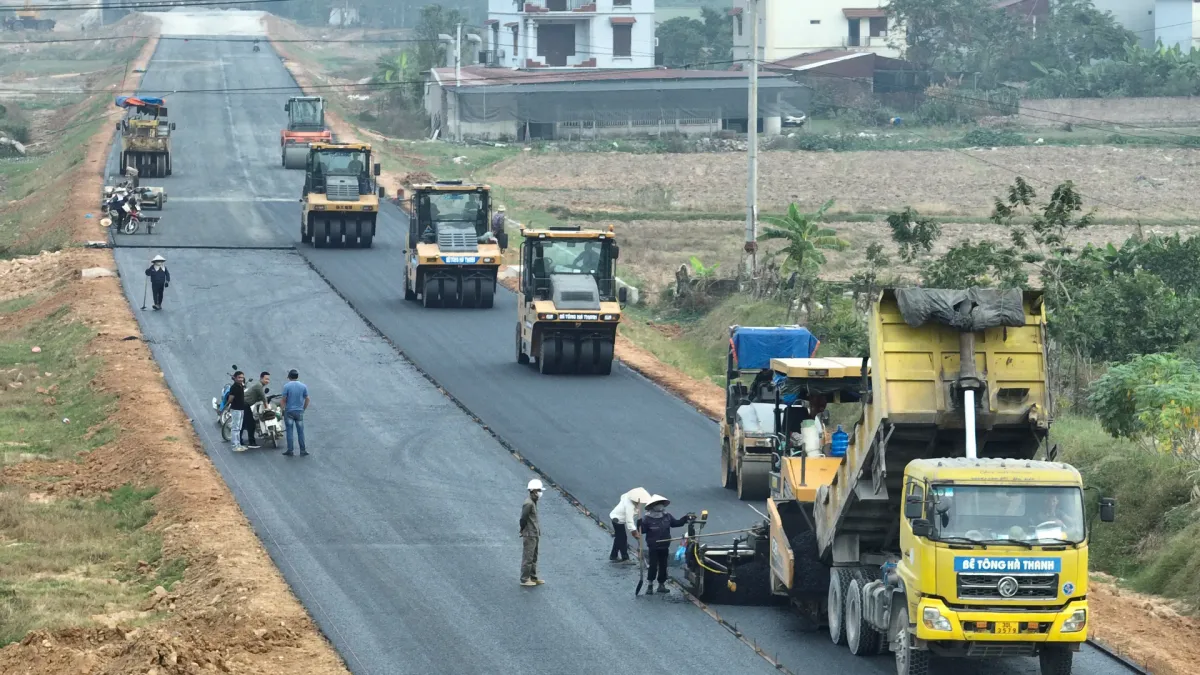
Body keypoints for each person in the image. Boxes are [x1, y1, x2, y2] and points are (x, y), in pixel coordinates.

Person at [637, 494, 694, 594]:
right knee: (653, 566)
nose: (660, 506)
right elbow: (642, 531)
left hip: (664, 545)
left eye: (661, 504)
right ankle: (650, 585)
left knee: (663, 565)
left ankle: (661, 585)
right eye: (658, 504)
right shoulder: (647, 519)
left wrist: (686, 518)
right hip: (653, 546)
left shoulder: (667, 516)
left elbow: (676, 523)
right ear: (653, 506)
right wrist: (639, 524)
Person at [609, 487, 650, 563]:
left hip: (617, 516)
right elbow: (629, 520)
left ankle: (613, 555)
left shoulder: (629, 497)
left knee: (619, 538)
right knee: (622, 538)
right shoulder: (630, 506)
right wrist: (634, 532)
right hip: (617, 519)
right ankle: (625, 558)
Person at [519, 479, 545, 587]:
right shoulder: (528, 503)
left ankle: (533, 577)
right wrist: (523, 530)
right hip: (529, 534)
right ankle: (524, 579)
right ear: (533, 490)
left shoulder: (533, 502)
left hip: (534, 534)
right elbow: (523, 519)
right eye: (539, 490)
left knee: (534, 557)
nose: (540, 492)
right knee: (528, 557)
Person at [280, 369, 309, 457]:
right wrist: (303, 408)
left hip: (289, 411)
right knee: (300, 432)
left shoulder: (287, 386)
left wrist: (282, 410)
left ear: (289, 377)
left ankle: (290, 450)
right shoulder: (303, 386)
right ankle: (303, 450)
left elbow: (283, 400)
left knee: (289, 431)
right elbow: (307, 399)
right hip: (299, 411)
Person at [243, 371, 270, 449]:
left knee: (244, 423)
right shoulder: (259, 386)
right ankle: (252, 442)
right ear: (261, 378)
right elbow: (263, 398)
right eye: (266, 379)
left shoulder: (259, 386)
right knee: (251, 424)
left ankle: (240, 440)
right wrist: (267, 408)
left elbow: (260, 397)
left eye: (268, 379)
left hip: (244, 404)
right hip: (244, 405)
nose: (267, 381)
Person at [224, 371, 247, 452]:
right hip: (236, 410)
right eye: (239, 377)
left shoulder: (240, 385)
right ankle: (235, 446)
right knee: (235, 428)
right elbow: (230, 399)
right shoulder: (234, 387)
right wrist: (226, 406)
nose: (241, 379)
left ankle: (238, 444)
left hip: (241, 409)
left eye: (242, 377)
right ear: (235, 378)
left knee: (239, 428)